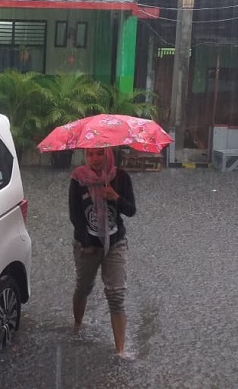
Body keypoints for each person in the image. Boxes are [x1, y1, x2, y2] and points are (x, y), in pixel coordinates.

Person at [68, 147, 136, 360]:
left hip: (115, 242)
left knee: (116, 295)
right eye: (90, 154)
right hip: (87, 245)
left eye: (99, 153)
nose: (94, 159)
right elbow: (75, 216)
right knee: (84, 287)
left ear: (108, 154)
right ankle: (78, 324)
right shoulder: (78, 178)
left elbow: (131, 210)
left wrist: (115, 197)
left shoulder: (121, 177)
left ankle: (120, 351)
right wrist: (86, 243)